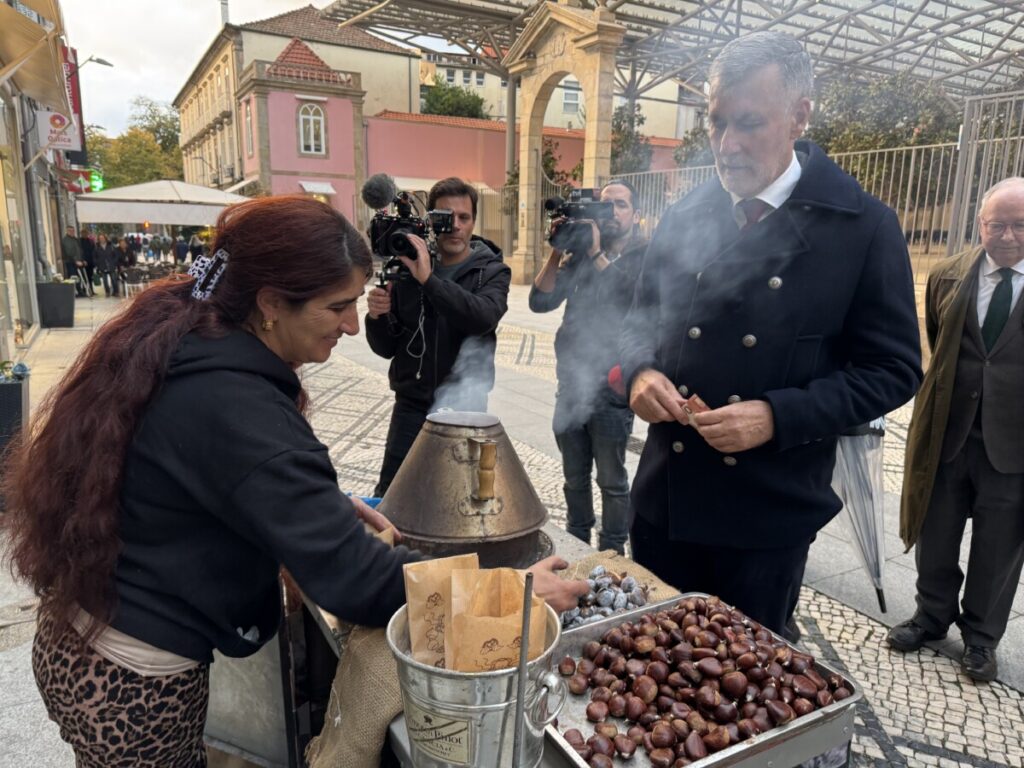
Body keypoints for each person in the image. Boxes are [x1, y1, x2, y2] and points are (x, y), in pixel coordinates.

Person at [1, 195, 585, 767]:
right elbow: (354, 581)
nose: (353, 327)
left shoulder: (192, 337)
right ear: (272, 303)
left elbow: (209, 478)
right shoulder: (238, 406)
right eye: (337, 307)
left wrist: (315, 506)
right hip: (133, 684)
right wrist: (514, 593)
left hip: (81, 635)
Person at [619, 31, 922, 639]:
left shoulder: (861, 226)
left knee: (741, 702)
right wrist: (639, 374)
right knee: (645, 680)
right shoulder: (687, 212)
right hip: (665, 505)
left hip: (764, 522)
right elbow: (634, 328)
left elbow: (893, 369)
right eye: (716, 122)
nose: (727, 145)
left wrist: (777, 416)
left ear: (798, 115)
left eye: (749, 123)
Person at [888, 177, 1024, 682]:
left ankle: (982, 639)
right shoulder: (947, 275)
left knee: (998, 548)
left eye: (1019, 225)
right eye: (997, 224)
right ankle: (930, 617)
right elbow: (936, 341)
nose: (1007, 235)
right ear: (980, 225)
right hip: (949, 437)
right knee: (936, 534)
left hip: (1012, 449)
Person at [365, 177, 511, 497]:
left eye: (464, 217)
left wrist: (430, 281)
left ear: (474, 221)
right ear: (429, 220)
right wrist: (377, 316)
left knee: (456, 498)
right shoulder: (404, 268)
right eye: (446, 217)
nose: (455, 226)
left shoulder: (492, 271)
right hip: (411, 403)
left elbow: (482, 318)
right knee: (392, 495)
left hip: (465, 406)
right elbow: (386, 348)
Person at [529, 181, 647, 554]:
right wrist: (557, 251)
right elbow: (539, 301)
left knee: (612, 482)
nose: (613, 212)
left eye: (621, 205)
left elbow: (627, 297)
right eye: (606, 205)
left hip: (611, 392)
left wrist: (596, 252)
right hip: (572, 385)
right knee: (573, 480)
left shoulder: (644, 256)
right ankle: (577, 545)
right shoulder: (577, 257)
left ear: (635, 214)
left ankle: (612, 552)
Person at [60, 225, 87, 297]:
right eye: (70, 231)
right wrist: (75, 261)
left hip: (79, 262)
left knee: (79, 277)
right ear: (67, 231)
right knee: (73, 277)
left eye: (73, 231)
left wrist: (82, 260)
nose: (72, 232)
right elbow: (69, 252)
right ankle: (75, 292)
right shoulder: (65, 240)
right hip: (71, 262)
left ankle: (80, 291)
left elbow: (80, 250)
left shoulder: (75, 239)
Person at [79, 232, 97, 297]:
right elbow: (80, 252)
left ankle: (91, 290)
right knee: (84, 277)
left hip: (90, 262)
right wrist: (83, 260)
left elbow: (93, 250)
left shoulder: (90, 241)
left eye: (86, 233)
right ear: (81, 234)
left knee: (90, 277)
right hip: (84, 262)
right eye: (83, 233)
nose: (85, 235)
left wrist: (94, 261)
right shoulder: (80, 241)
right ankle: (85, 290)